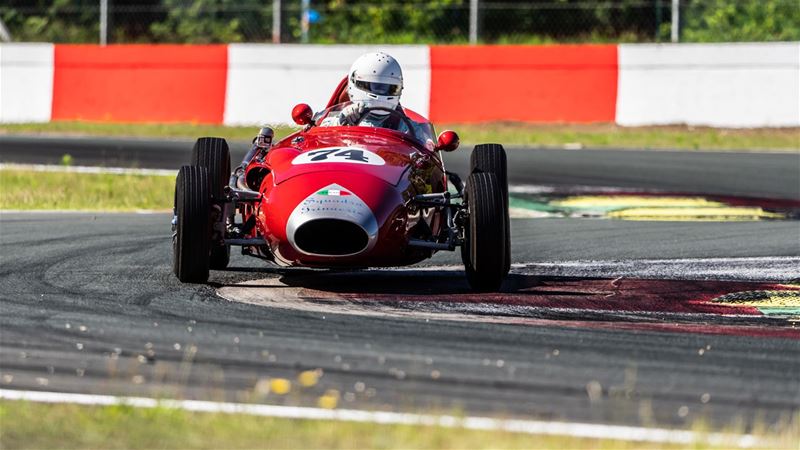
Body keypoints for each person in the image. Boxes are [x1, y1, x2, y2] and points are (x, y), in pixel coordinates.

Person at [321, 52, 407, 130]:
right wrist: (340, 123)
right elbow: (318, 135)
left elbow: (419, 139)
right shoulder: (335, 119)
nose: (382, 92)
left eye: (391, 88)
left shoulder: (405, 126)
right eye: (376, 87)